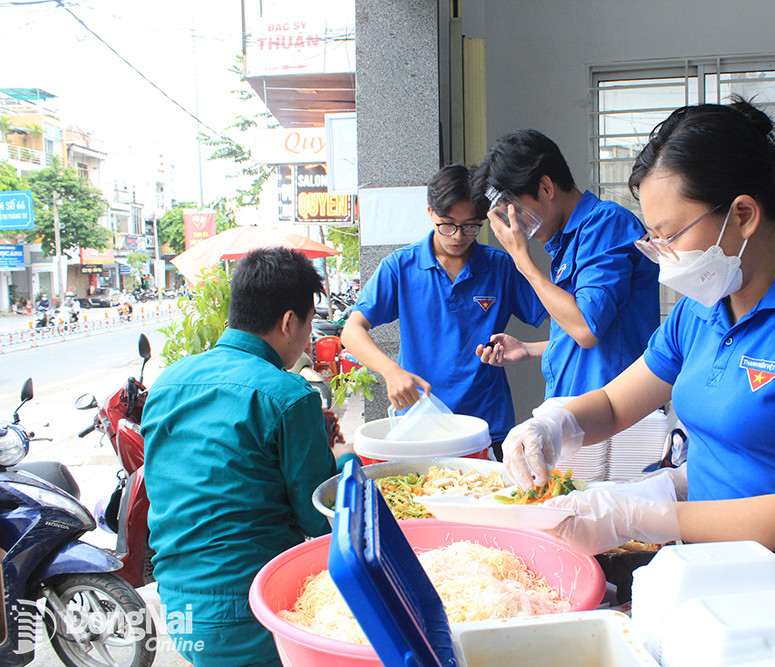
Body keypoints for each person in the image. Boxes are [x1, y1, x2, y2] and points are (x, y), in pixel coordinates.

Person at [501, 99, 775, 665]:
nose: (662, 257)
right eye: (652, 238)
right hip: (714, 576)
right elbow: (618, 403)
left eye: (670, 235)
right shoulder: (702, 310)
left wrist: (636, 514)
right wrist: (552, 422)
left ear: (742, 216)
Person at [142, 247, 337, 667]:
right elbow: (319, 518)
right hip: (250, 606)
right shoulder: (288, 396)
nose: (308, 339)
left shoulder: (167, 382)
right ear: (289, 322)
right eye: (309, 326)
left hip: (177, 605)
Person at [341, 165, 546, 455]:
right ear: (429, 213)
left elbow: (567, 322)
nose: (458, 236)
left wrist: (529, 348)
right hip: (419, 426)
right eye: (447, 225)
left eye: (471, 226)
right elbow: (351, 330)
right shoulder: (401, 267)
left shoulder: (501, 266)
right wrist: (391, 371)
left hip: (487, 428)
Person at [472, 129, 659, 399]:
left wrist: (521, 259)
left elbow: (586, 328)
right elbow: (597, 339)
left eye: (517, 212)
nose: (518, 227)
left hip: (614, 421)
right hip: (581, 414)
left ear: (546, 187)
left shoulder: (605, 224)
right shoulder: (566, 242)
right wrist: (529, 350)